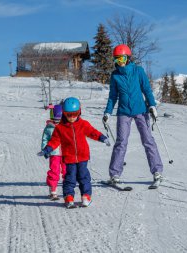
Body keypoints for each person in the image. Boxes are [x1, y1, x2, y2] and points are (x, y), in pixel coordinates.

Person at [103, 44, 164, 185]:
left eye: (122, 58)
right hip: (123, 112)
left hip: (141, 111)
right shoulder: (115, 75)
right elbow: (113, 96)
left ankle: (157, 172)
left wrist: (152, 105)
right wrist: (107, 112)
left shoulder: (138, 71)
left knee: (148, 140)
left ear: (128, 58)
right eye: (117, 59)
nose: (120, 62)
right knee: (121, 142)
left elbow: (147, 90)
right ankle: (114, 174)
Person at [38, 97, 111, 208]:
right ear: (64, 113)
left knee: (84, 177)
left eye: (75, 114)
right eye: (68, 115)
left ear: (79, 112)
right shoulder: (60, 128)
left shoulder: (83, 124)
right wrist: (47, 149)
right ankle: (68, 197)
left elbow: (92, 132)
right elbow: (54, 141)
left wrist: (102, 137)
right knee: (69, 178)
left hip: (83, 157)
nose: (72, 118)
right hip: (69, 157)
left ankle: (86, 196)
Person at [41, 103, 66, 200]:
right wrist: (45, 150)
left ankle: (67, 190)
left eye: (59, 120)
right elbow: (45, 139)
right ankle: (53, 190)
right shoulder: (49, 127)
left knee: (67, 171)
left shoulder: (66, 126)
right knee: (54, 171)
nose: (57, 122)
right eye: (55, 120)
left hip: (65, 154)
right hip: (54, 153)